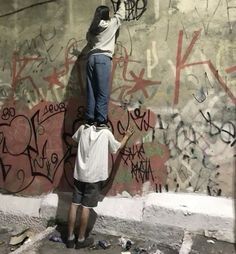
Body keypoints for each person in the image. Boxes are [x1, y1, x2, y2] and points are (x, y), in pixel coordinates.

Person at [66, 124, 134, 249]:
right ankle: (80, 240)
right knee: (86, 207)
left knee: (74, 204)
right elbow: (117, 147)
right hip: (93, 177)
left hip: (79, 174)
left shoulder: (82, 128)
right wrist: (127, 136)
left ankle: (69, 239)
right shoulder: (105, 133)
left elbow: (74, 140)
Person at [85, 0, 127, 128]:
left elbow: (89, 40)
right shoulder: (111, 24)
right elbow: (121, 15)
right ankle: (101, 121)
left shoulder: (93, 28)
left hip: (91, 58)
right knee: (102, 91)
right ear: (107, 14)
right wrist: (122, 2)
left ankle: (89, 119)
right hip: (103, 59)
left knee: (91, 90)